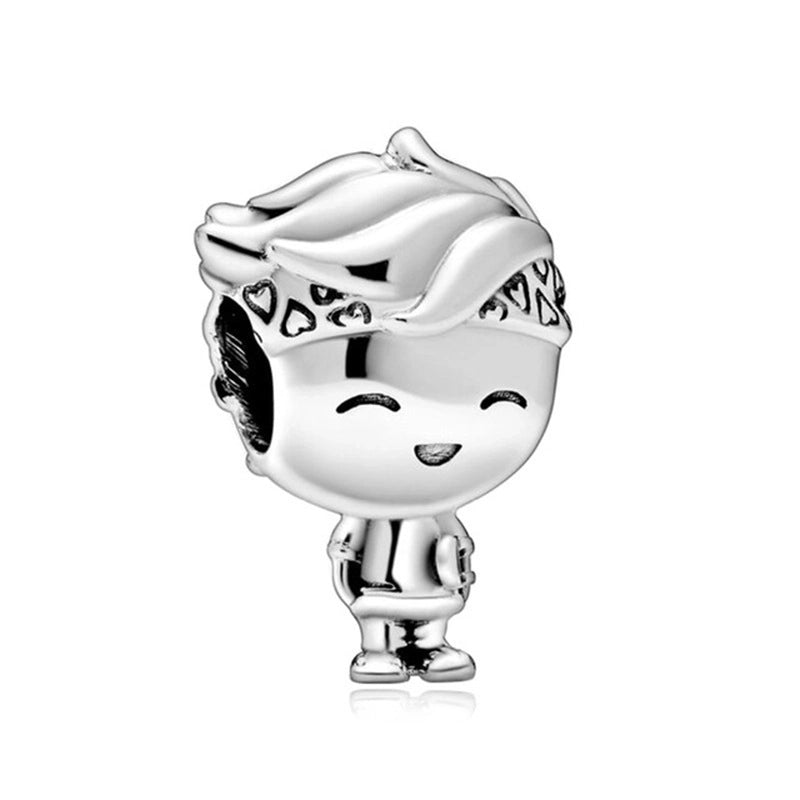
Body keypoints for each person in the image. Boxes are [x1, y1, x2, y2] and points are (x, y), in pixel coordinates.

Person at [196, 128, 571, 682]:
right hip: (373, 598)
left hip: (437, 596)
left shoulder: (442, 511)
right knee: (381, 617)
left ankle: (429, 643)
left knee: (432, 616)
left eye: (501, 403)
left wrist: (455, 565)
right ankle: (380, 647)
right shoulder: (370, 520)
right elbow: (348, 556)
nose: (438, 435)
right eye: (370, 407)